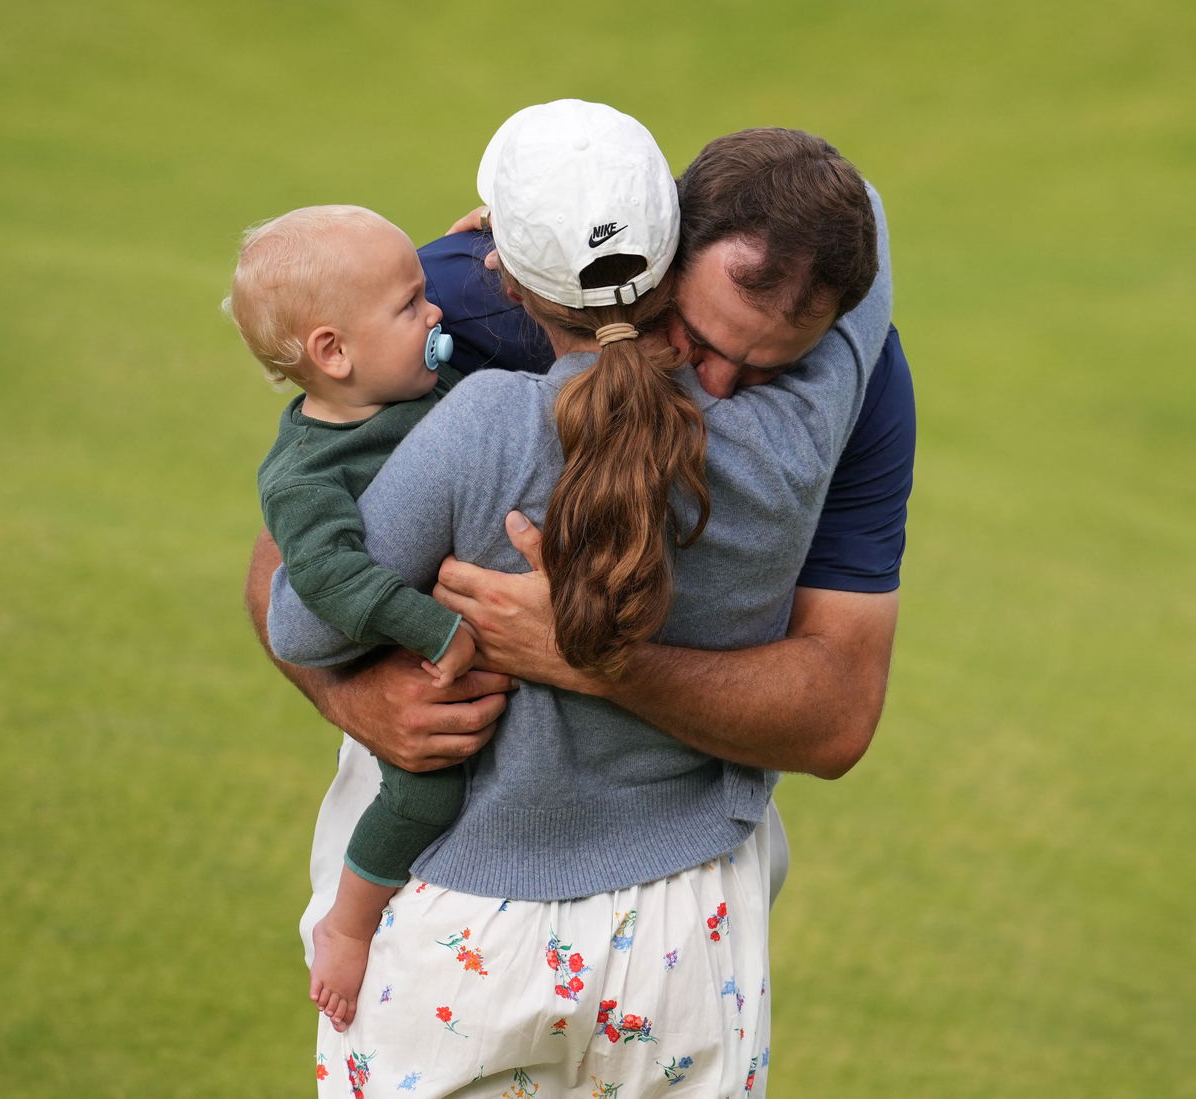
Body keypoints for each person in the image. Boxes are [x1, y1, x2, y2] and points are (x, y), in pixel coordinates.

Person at [266, 99, 892, 1095]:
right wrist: (362, 701)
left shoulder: (465, 401)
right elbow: (862, 213)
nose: (724, 381)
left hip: (460, 912)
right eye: (699, 332)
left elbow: (297, 603)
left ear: (506, 274)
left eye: (762, 360)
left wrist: (556, 649)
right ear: (671, 244)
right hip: (689, 934)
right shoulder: (796, 437)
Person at [224, 205, 479, 1028]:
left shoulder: (408, 375)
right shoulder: (305, 474)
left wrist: (473, 247)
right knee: (424, 793)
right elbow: (330, 580)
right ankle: (349, 920)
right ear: (334, 353)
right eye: (412, 304)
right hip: (397, 647)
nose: (436, 311)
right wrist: (433, 628)